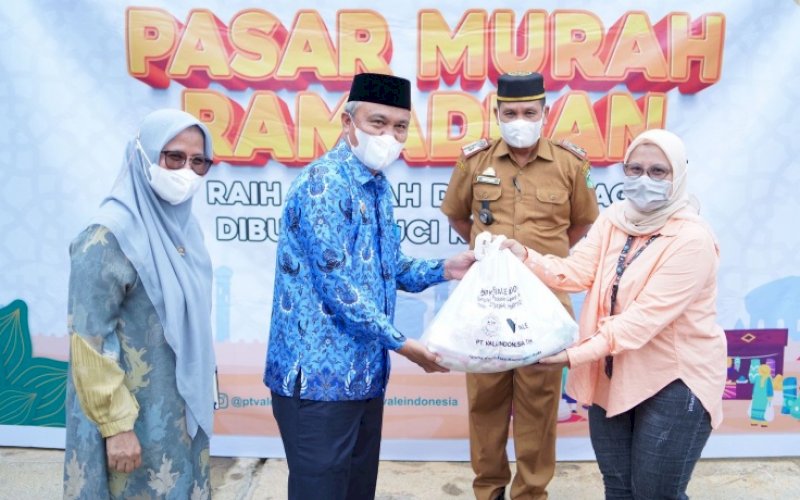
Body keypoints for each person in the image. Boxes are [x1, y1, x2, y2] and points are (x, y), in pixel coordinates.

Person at [263, 72, 476, 500]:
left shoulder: (376, 184)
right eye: (378, 123)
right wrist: (403, 344)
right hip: (320, 381)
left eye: (400, 126)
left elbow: (388, 266)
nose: (389, 135)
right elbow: (339, 288)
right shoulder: (323, 185)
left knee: (356, 491)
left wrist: (446, 269)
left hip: (363, 375)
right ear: (348, 122)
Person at [501, 129, 727, 499]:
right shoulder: (614, 220)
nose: (643, 180)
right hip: (611, 373)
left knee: (654, 493)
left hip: (674, 379)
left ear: (679, 176)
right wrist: (523, 256)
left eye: (658, 172)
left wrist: (571, 356)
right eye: (634, 169)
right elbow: (575, 273)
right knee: (619, 489)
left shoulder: (693, 239)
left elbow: (642, 322)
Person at [440, 71, 599, 500]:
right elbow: (459, 217)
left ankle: (530, 493)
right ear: (497, 114)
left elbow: (584, 223)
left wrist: (542, 263)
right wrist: (489, 261)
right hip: (486, 306)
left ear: (545, 112)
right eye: (510, 112)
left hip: (544, 306)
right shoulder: (475, 162)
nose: (520, 119)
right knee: (486, 403)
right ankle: (488, 490)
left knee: (538, 407)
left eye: (529, 111)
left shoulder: (570, 164)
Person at [63, 109, 217, 499]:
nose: (187, 170)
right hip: (129, 421)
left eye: (198, 161)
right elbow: (89, 339)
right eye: (174, 157)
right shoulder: (106, 236)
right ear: (144, 156)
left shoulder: (185, 230)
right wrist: (116, 428)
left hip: (176, 415)